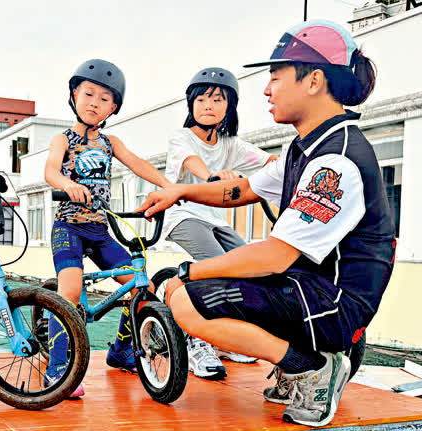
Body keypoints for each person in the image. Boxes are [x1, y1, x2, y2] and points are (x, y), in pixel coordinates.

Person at [136, 19, 394, 427]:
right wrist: (178, 192)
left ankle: (309, 367)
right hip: (310, 288)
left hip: (332, 304)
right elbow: (240, 190)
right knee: (203, 285)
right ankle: (302, 363)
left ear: (313, 80)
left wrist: (186, 271)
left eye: (275, 77)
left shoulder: (335, 160)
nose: (266, 89)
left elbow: (274, 257)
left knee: (185, 299)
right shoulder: (306, 146)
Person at [43, 59, 170, 397]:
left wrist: (170, 187)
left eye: (103, 98)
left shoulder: (111, 142)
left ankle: (122, 349)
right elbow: (51, 171)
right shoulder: (62, 138)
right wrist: (67, 185)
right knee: (68, 293)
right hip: (68, 227)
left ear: (113, 107)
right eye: (88, 94)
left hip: (100, 231)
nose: (94, 102)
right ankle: (57, 370)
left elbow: (140, 165)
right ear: (74, 94)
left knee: (140, 287)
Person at [164, 67, 277, 380]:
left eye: (216, 99)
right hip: (184, 216)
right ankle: (193, 342)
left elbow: (270, 163)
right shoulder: (182, 137)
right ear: (191, 105)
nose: (207, 105)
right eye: (200, 99)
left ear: (229, 107)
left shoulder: (231, 144)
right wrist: (211, 178)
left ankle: (223, 341)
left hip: (215, 220)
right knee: (217, 267)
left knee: (250, 270)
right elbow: (191, 161)